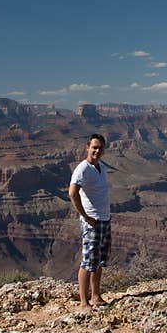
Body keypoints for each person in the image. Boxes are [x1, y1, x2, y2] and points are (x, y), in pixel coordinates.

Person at [69, 134, 111, 312]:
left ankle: (96, 296)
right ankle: (83, 302)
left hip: (104, 219)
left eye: (100, 148)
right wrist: (85, 217)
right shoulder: (82, 168)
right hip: (92, 222)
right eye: (94, 147)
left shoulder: (101, 167)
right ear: (87, 147)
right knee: (87, 261)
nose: (97, 151)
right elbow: (72, 193)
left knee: (99, 260)